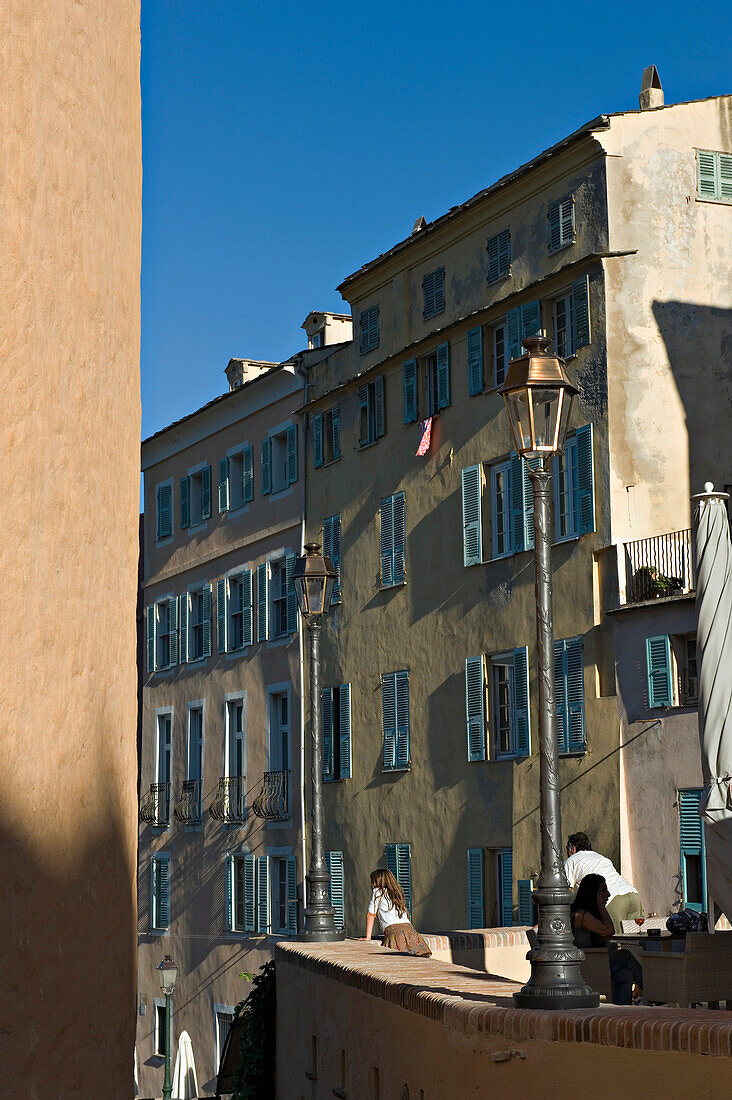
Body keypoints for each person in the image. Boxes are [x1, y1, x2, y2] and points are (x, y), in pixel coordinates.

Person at [571, 873, 643, 1006]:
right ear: (592, 893)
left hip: (598, 962)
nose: (608, 894)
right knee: (626, 956)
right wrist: (601, 906)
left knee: (625, 974)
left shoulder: (589, 913)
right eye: (603, 890)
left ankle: (621, 1011)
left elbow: (606, 934)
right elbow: (609, 930)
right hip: (588, 965)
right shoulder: (581, 914)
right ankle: (651, 990)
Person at [564, 832, 642, 932]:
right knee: (636, 941)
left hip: (613, 901)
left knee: (616, 942)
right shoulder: (602, 858)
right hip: (633, 895)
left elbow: (566, 892)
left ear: (572, 849)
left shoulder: (571, 861)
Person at [363, 868, 432, 957]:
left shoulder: (378, 892)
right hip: (409, 929)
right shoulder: (397, 893)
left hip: (395, 931)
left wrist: (368, 937)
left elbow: (371, 914)